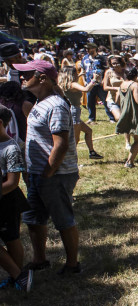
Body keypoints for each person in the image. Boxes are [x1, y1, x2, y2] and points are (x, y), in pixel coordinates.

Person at [16, 60, 82, 275]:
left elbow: (60, 144)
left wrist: (48, 172)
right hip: (38, 173)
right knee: (33, 218)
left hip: (55, 174)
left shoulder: (55, 105)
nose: (22, 77)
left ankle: (72, 265)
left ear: (42, 78)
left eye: (27, 74)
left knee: (63, 219)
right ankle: (40, 259)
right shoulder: (40, 101)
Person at [0, 104, 32, 291]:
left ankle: (18, 276)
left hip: (7, 202)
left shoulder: (10, 148)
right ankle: (19, 276)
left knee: (11, 239)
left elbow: (12, 182)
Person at [57, 66, 101, 160]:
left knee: (88, 131)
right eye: (76, 73)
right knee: (75, 139)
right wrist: (94, 80)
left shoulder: (63, 83)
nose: (77, 75)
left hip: (71, 111)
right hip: (74, 112)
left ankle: (92, 152)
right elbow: (86, 89)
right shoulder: (73, 84)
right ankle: (70, 160)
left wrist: (81, 74)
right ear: (72, 75)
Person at [114, 67, 138, 168]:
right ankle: (129, 162)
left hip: (127, 114)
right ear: (136, 75)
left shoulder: (121, 84)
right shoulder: (135, 85)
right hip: (136, 115)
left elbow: (116, 99)